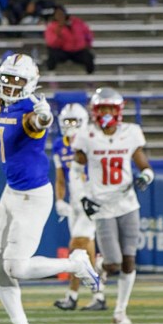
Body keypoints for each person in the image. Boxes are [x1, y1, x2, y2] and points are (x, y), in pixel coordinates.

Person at [0, 48, 100, 324]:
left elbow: (36, 123)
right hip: (12, 192)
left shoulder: (29, 108)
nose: (9, 85)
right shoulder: (4, 105)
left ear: (31, 83)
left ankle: (76, 263)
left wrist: (44, 118)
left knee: (16, 268)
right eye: (6, 78)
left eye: (16, 81)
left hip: (32, 197)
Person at [70, 87, 154, 324]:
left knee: (129, 260)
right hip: (103, 206)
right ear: (95, 111)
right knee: (113, 263)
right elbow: (76, 170)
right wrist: (82, 196)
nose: (106, 112)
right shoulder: (86, 135)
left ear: (118, 110)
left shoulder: (131, 133)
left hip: (127, 205)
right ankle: (99, 265)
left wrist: (146, 177)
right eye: (102, 108)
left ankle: (120, 311)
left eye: (110, 108)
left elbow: (145, 166)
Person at [52, 103, 107, 312]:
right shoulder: (59, 145)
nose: (71, 125)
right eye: (67, 121)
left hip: (89, 198)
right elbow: (60, 178)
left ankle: (74, 295)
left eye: (74, 121)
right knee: (85, 252)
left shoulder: (92, 139)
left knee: (77, 246)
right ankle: (96, 294)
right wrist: (59, 200)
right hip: (74, 201)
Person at [44, 5, 95, 75]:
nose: (60, 16)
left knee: (89, 57)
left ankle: (90, 79)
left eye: (61, 14)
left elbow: (87, 33)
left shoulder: (76, 22)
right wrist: (58, 32)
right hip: (63, 50)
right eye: (57, 14)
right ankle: (51, 77)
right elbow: (51, 42)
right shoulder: (52, 26)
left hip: (78, 50)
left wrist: (88, 43)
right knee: (52, 56)